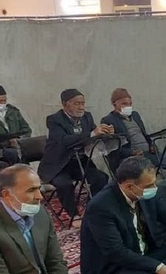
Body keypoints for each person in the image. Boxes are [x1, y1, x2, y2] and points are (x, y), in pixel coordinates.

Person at [37, 89, 111, 219]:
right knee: (64, 185)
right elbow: (64, 141)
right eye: (77, 103)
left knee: (101, 178)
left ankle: (91, 209)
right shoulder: (54, 120)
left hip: (79, 162)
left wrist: (106, 132)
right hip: (58, 165)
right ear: (65, 104)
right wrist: (92, 133)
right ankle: (73, 215)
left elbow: (93, 134)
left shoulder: (87, 116)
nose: (81, 107)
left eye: (83, 103)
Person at [101, 88, 166, 174]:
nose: (128, 107)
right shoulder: (108, 120)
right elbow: (111, 149)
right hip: (129, 158)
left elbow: (144, 134)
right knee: (142, 170)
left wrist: (151, 144)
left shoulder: (135, 115)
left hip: (148, 154)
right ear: (114, 105)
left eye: (130, 104)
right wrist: (131, 152)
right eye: (124, 104)